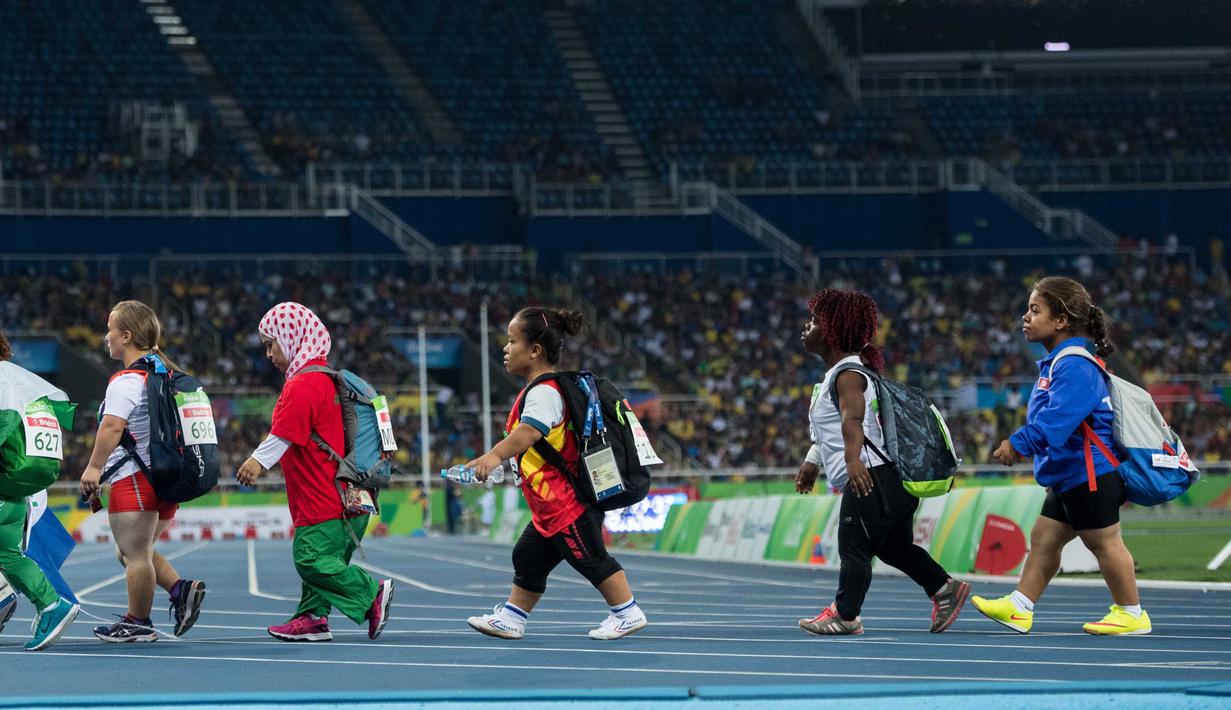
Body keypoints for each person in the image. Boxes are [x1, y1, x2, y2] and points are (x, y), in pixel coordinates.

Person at [975, 276, 1149, 635]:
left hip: (1091, 473)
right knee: (1045, 539)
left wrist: (1018, 443)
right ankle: (1020, 606)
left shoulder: (1075, 364)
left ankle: (1131, 613)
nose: (1025, 317)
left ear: (1061, 321)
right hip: (1070, 475)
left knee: (1103, 542)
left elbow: (1058, 420)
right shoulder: (1060, 362)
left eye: (1035, 310)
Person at [464, 307, 647, 641]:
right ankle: (512, 617)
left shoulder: (545, 392)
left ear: (534, 350)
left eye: (512, 341)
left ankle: (627, 611)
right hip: (549, 507)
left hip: (566, 504)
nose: (505, 349)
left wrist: (493, 457)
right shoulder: (539, 391)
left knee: (590, 558)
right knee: (528, 557)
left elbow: (529, 433)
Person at [794, 289, 969, 636]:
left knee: (854, 547)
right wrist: (813, 460)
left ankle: (846, 615)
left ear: (830, 330)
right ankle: (943, 588)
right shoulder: (845, 373)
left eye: (814, 321)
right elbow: (830, 426)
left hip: (871, 478)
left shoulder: (848, 374)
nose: (806, 326)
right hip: (889, 480)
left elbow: (853, 418)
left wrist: (853, 459)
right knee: (895, 548)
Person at [235, 302, 393, 642]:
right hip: (349, 498)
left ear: (291, 338)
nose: (268, 354)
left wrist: (255, 462)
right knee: (323, 562)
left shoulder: (303, 385)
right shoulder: (327, 379)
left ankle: (371, 594)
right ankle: (312, 619)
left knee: (310, 558)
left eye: (270, 343)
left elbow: (283, 434)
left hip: (323, 500)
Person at [78, 301, 206, 642]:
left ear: (126, 336)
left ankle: (138, 623)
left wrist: (93, 467)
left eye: (110, 329)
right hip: (165, 481)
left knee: (134, 556)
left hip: (134, 481)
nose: (106, 337)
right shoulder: (164, 375)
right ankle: (180, 590)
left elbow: (112, 427)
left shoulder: (125, 380)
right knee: (134, 552)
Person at [0, 331, 79, 651]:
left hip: (11, 469)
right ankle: (50, 606)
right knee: (8, 554)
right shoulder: (21, 377)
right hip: (28, 476)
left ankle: (45, 603)